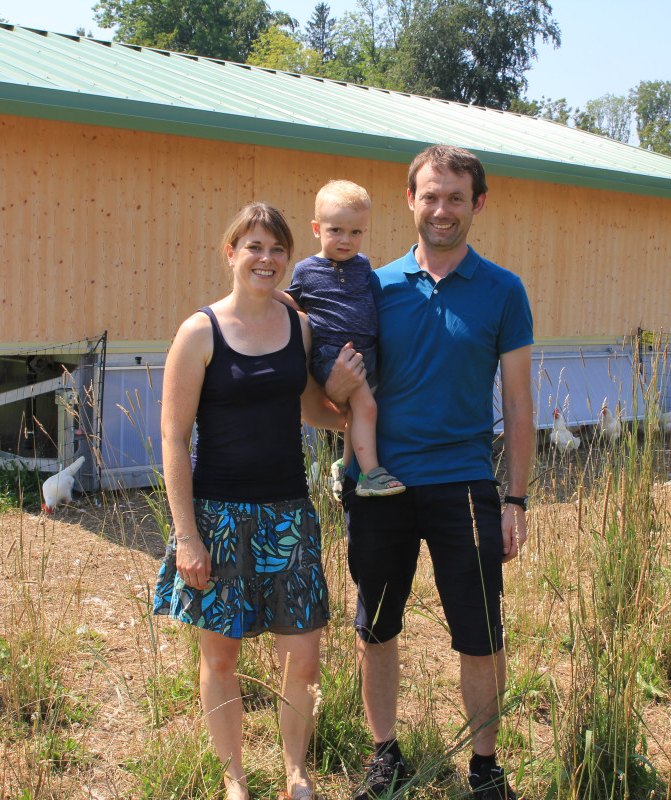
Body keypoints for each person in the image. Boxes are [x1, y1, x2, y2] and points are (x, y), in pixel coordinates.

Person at [332, 145, 534, 800]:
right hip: (381, 486)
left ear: (477, 203)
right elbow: (339, 394)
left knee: (479, 634)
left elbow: (521, 404)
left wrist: (517, 498)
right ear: (410, 201)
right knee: (377, 625)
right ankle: (383, 753)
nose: (441, 208)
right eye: (430, 195)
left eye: (454, 197)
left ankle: (484, 765)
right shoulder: (374, 286)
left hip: (465, 485)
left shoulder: (504, 291)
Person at [153, 202, 359, 800]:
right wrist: (187, 535)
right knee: (221, 660)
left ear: (289, 258)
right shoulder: (200, 332)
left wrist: (354, 415)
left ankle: (296, 772)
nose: (266, 259)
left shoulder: (297, 325)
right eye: (254, 247)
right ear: (231, 254)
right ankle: (234, 777)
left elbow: (303, 406)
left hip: (289, 514)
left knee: (305, 657)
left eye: (277, 249)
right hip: (219, 518)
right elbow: (173, 436)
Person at [282, 179, 404, 499]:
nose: (346, 240)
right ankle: (371, 474)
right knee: (365, 406)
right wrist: (263, 298)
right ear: (316, 228)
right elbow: (293, 302)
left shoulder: (362, 265)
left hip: (367, 351)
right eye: (336, 230)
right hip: (333, 353)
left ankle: (345, 467)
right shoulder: (306, 269)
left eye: (356, 232)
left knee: (356, 413)